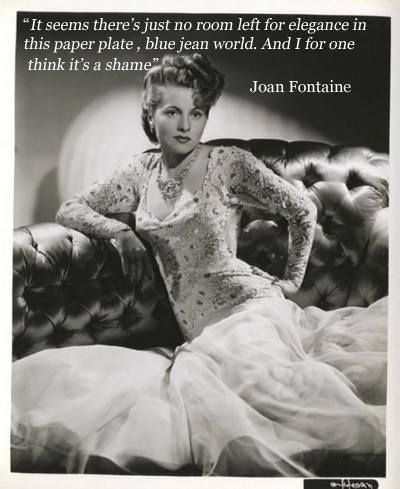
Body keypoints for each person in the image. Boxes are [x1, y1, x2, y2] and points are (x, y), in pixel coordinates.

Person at [11, 53, 386, 477]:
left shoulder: (227, 163)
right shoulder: (139, 172)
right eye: (173, 112)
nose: (186, 124)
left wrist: (291, 280)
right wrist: (121, 234)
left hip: (250, 311)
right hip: (202, 333)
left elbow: (301, 209)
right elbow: (71, 209)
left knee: (279, 408)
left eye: (198, 112)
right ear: (151, 115)